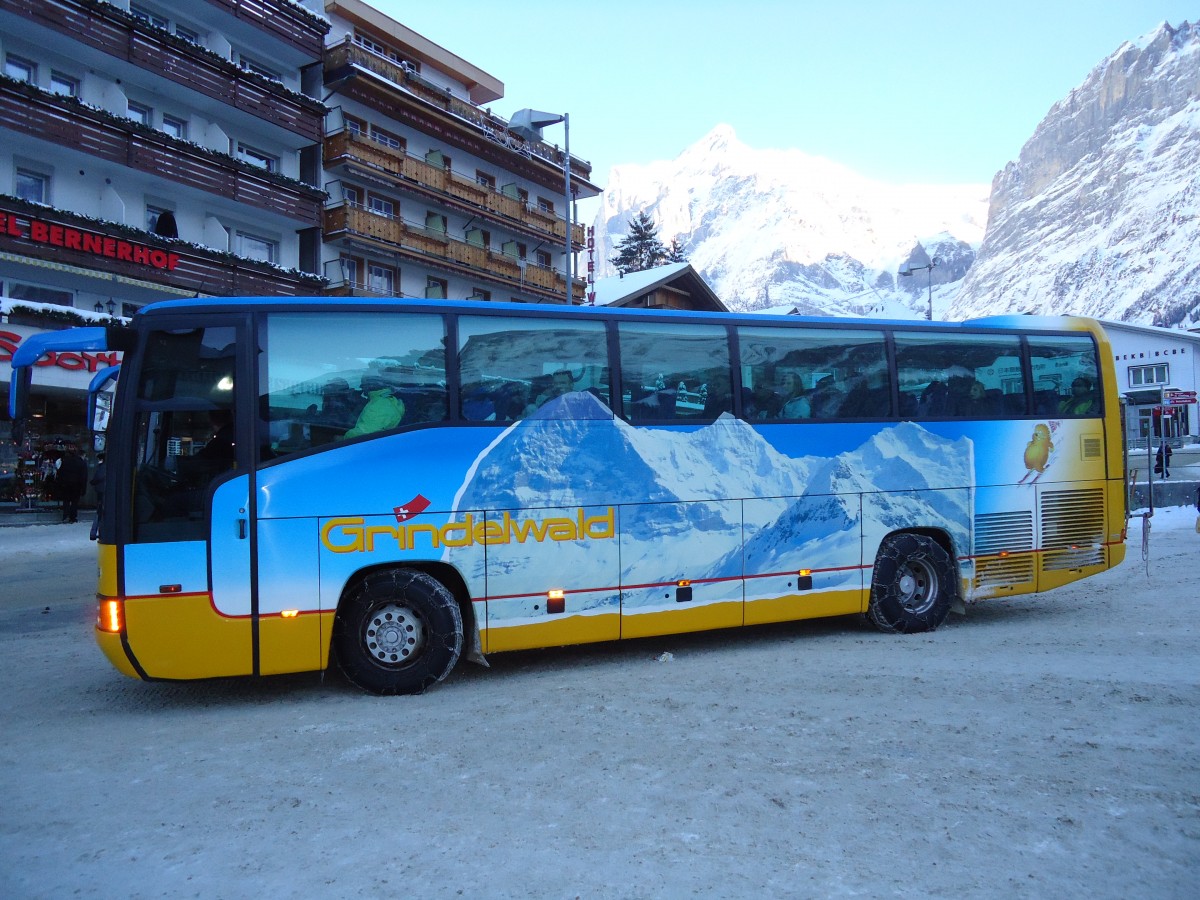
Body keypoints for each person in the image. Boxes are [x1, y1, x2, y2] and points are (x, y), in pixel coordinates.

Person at [56, 447, 88, 524]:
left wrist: (60, 484)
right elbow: (83, 476)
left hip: (65, 484)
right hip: (76, 485)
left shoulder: (64, 461)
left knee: (66, 501)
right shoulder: (81, 462)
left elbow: (60, 473)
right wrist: (83, 488)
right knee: (74, 502)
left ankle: (66, 515)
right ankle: (72, 517)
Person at [89, 452, 106, 540]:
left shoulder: (102, 467)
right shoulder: (108, 466)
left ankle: (93, 532)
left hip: (101, 491)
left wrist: (93, 482)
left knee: (99, 512)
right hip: (104, 491)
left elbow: (98, 478)